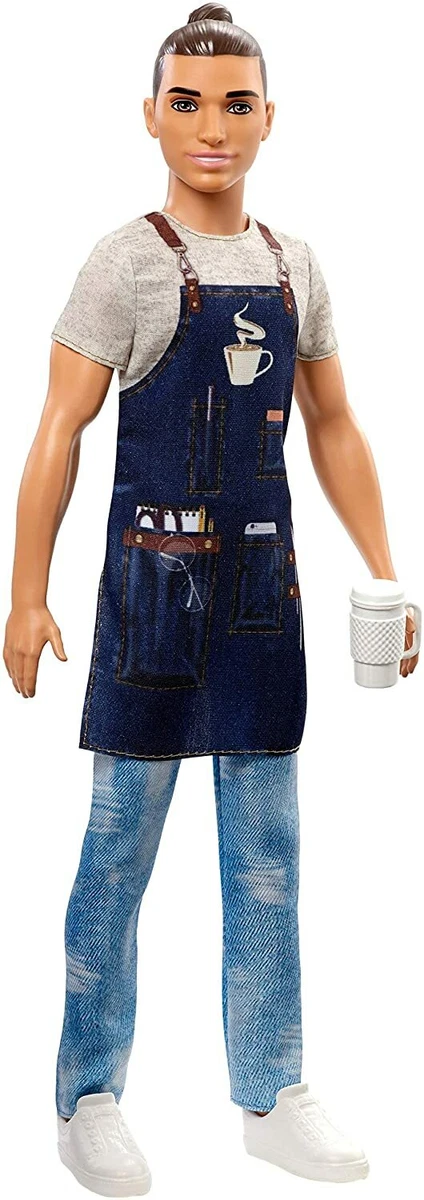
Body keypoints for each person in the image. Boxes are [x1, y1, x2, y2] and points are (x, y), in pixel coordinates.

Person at [4, 4, 419, 1195]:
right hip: (150, 591)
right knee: (116, 849)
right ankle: (87, 1094)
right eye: (186, 103)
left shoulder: (295, 265)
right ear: (150, 116)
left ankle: (271, 1090)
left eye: (236, 103)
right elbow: (58, 428)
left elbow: (333, 422)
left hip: (261, 596)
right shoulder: (124, 263)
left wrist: (385, 571)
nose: (212, 127)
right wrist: (25, 594)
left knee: (268, 857)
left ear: (269, 119)